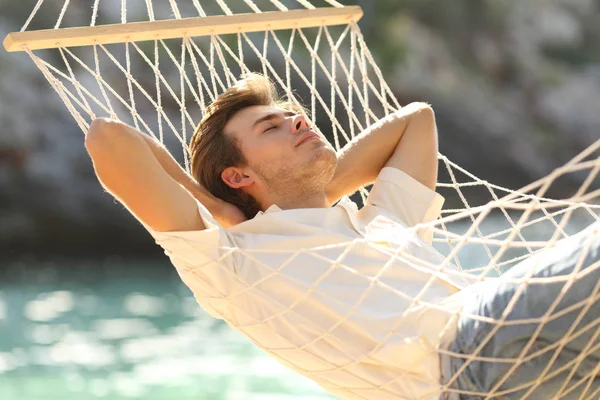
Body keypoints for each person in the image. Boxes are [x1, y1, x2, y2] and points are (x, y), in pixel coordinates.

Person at [85, 73, 599, 400]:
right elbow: (108, 139)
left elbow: (417, 120)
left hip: (536, 365)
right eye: (271, 128)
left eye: (293, 115)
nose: (296, 120)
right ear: (238, 176)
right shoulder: (234, 262)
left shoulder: (382, 220)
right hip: (467, 364)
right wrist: (219, 208)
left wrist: (318, 186)